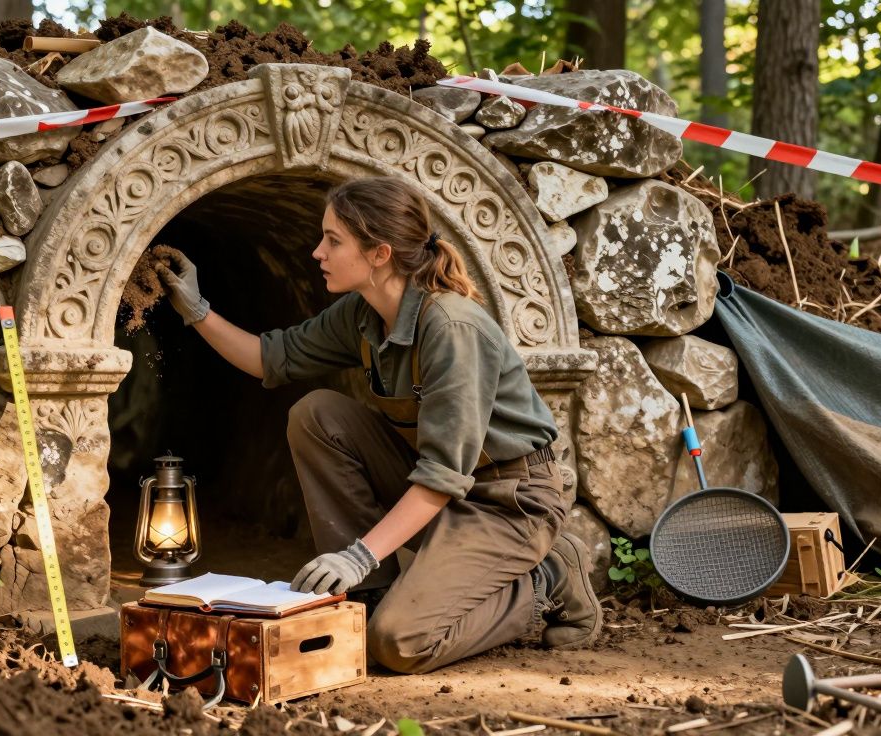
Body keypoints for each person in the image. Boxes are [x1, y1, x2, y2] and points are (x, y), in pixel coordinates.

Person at [154, 177, 601, 674]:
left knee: (399, 644)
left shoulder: (452, 328)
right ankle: (371, 594)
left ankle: (544, 577)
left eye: (333, 240)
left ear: (380, 253)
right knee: (318, 414)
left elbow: (441, 475)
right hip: (444, 483)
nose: (317, 251)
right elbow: (270, 358)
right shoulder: (363, 313)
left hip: (507, 500)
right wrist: (194, 310)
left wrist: (357, 554)